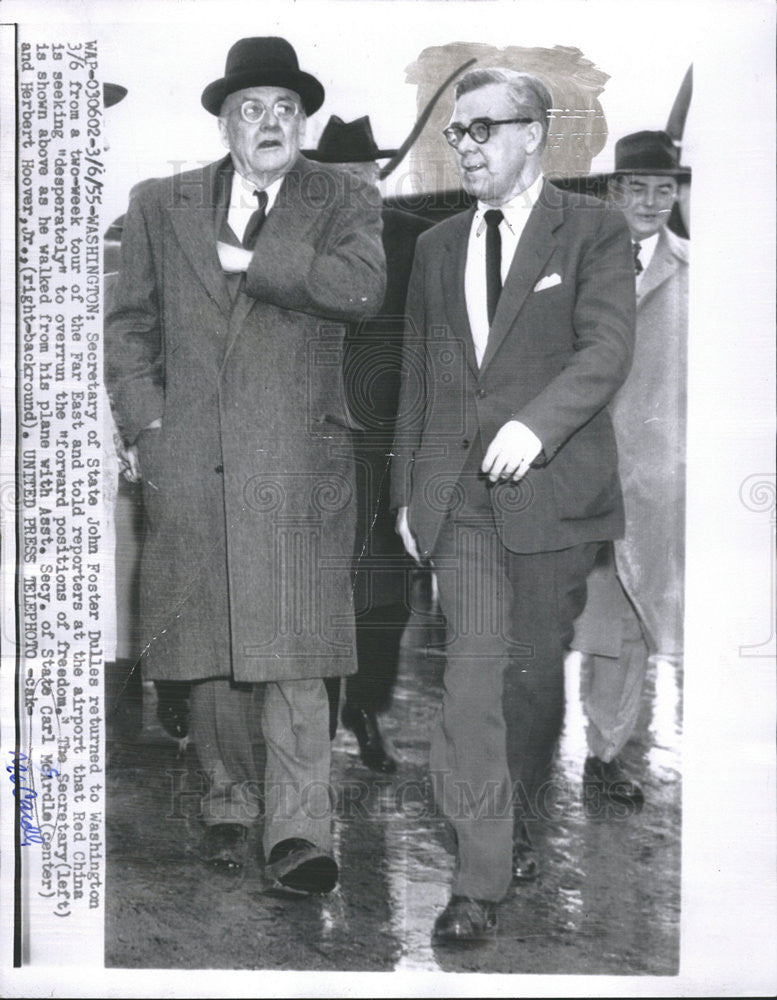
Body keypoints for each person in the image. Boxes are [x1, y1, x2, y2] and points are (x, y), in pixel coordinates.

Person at [105, 36, 386, 895]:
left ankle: (299, 833)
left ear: (303, 122)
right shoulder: (159, 202)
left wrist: (248, 261)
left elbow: (360, 290)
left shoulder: (341, 197)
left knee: (297, 649)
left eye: (286, 110)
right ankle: (231, 803)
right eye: (251, 109)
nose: (270, 123)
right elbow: (128, 328)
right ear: (224, 122)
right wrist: (149, 422)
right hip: (189, 458)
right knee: (216, 648)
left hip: (299, 460)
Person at [391, 67, 635, 942]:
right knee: (470, 680)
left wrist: (537, 427)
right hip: (457, 502)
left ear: (532, 133)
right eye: (454, 133)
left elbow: (605, 350)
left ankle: (520, 818)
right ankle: (478, 876)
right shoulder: (434, 247)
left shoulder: (595, 231)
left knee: (530, 681)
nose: (464, 146)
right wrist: (407, 496)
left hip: (552, 497)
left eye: (481, 129)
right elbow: (420, 377)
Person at [306, 115, 431, 773]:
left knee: (385, 593)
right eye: (336, 177)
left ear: (377, 176)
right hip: (315, 448)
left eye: (360, 173)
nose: (351, 185)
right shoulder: (293, 242)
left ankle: (367, 710)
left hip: (388, 449)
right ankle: (320, 719)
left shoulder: (417, 240)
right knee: (320, 589)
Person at [572, 130, 689, 812]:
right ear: (612, 192)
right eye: (636, 187)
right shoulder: (576, 263)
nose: (649, 201)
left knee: (627, 624)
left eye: (663, 188)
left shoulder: (695, 271)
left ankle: (605, 753)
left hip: (651, 484)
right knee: (544, 623)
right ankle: (510, 762)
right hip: (576, 473)